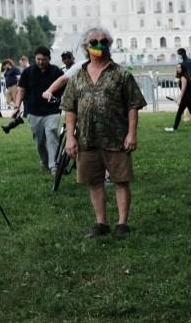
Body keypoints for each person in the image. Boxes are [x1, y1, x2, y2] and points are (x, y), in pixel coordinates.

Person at [60, 26, 147, 238]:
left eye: (104, 42)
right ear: (86, 47)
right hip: (87, 139)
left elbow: (133, 106)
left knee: (121, 180)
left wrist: (131, 133)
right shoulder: (78, 76)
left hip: (116, 137)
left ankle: (122, 224)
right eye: (94, 42)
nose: (99, 45)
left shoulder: (121, 74)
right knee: (94, 181)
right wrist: (70, 137)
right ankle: (101, 223)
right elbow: (70, 108)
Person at [13, 46, 63, 173]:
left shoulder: (56, 72)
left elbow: (65, 88)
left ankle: (54, 165)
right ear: (35, 58)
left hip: (52, 110)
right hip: (34, 111)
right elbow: (21, 90)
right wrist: (17, 107)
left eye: (44, 59)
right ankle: (45, 162)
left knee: (52, 134)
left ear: (49, 59)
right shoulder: (28, 72)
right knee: (40, 140)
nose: (41, 62)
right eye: (38, 59)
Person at [166, 47, 191, 132]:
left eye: (179, 68)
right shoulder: (189, 63)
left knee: (180, 113)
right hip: (189, 96)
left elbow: (183, 89)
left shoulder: (184, 76)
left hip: (186, 97)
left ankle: (174, 128)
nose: (177, 69)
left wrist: (179, 98)